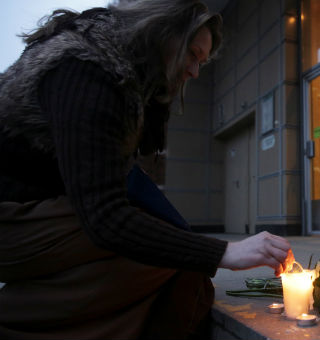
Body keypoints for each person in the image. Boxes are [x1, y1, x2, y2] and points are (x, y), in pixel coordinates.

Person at [0, 0, 294, 338]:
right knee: (170, 260)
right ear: (163, 32)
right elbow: (106, 217)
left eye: (203, 61)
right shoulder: (86, 73)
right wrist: (226, 252)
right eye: (193, 55)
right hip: (13, 217)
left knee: (180, 260)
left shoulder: (127, 80)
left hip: (54, 210)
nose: (196, 72)